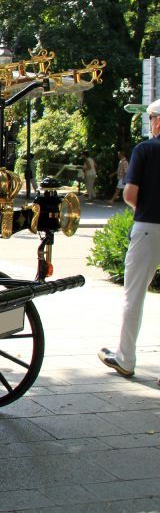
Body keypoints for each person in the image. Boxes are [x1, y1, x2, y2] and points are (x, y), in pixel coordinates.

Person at [98, 99, 160, 378]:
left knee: (133, 296)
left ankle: (125, 358)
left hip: (148, 227)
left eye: (151, 119)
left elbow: (130, 194)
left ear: (158, 121)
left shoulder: (145, 150)